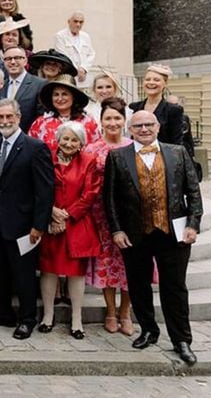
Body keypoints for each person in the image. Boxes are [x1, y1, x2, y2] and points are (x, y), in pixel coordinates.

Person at [104, 111, 202, 366]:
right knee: (138, 285)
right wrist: (117, 230)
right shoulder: (117, 156)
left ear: (158, 127)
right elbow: (110, 199)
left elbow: (193, 191)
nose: (144, 129)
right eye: (138, 125)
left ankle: (181, 340)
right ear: (130, 129)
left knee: (175, 288)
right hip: (135, 233)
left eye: (149, 124)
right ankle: (148, 330)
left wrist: (193, 224)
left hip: (173, 233)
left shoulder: (177, 152)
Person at [0, 99, 54, 340]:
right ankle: (2, 314)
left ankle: (27, 319)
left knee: (23, 275)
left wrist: (38, 226)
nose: (5, 121)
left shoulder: (34, 147)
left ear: (18, 118)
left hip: (23, 225)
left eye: (9, 117)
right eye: (0, 118)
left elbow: (45, 191)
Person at [35, 121, 101, 340]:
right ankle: (47, 315)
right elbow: (39, 187)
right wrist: (52, 212)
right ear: (58, 139)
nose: (69, 143)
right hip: (50, 222)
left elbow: (90, 193)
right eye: (66, 139)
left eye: (74, 140)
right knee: (48, 270)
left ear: (81, 143)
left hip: (77, 224)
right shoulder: (47, 158)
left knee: (75, 273)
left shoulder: (88, 161)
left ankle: (76, 319)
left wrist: (67, 215)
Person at [82, 98, 135, 334]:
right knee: (107, 265)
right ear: (101, 121)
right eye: (108, 118)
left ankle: (126, 312)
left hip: (130, 215)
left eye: (117, 118)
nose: (112, 122)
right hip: (101, 216)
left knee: (130, 265)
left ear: (124, 121)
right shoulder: (91, 149)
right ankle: (110, 311)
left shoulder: (133, 146)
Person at [29, 75, 101, 151]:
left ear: (73, 97)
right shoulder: (40, 123)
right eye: (56, 94)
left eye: (64, 94)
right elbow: (30, 149)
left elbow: (97, 149)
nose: (60, 99)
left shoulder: (88, 122)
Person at [128, 64, 185, 146]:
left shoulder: (173, 110)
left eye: (156, 80)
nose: (151, 83)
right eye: (147, 79)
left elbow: (176, 143)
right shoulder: (134, 107)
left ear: (165, 83)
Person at [1, 46, 44, 132]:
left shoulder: (39, 84)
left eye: (17, 58)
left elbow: (41, 117)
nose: (12, 62)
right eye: (8, 59)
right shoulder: (0, 86)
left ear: (25, 61)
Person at [53, 11, 95, 87]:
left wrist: (83, 68)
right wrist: (77, 70)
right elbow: (63, 56)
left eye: (81, 22)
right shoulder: (60, 36)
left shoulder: (86, 36)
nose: (78, 24)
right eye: (75, 21)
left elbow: (91, 54)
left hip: (84, 75)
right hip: (68, 74)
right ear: (69, 22)